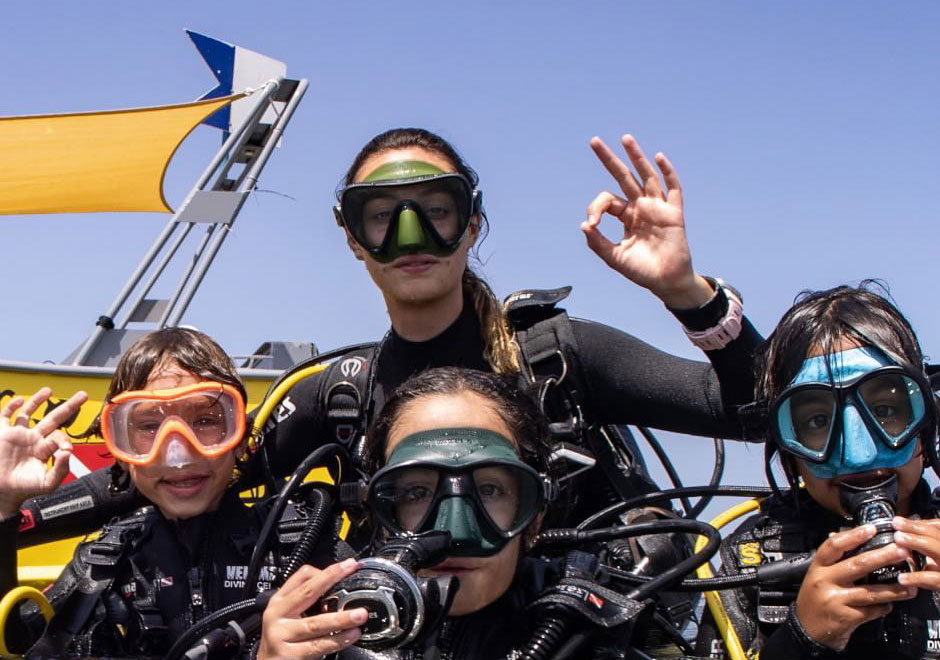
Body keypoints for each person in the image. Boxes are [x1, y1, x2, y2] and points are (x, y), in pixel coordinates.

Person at [258, 128, 762, 520]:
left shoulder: (557, 361)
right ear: (351, 236)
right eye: (381, 217)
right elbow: (198, 476)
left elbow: (756, 414)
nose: (410, 239)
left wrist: (687, 293)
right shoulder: (341, 398)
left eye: (436, 211)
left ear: (472, 224)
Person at [0, 327, 349, 660]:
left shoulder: (301, 548)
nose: (177, 453)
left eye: (206, 421)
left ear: (241, 439)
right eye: (148, 426)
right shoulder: (106, 564)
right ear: (120, 450)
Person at [257, 366, 649, 660]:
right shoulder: (321, 631)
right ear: (377, 512)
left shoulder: (589, 636)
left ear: (535, 514)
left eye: (491, 489)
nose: (455, 532)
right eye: (416, 492)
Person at [697, 284, 940, 660]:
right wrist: (801, 639)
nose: (858, 453)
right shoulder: (751, 560)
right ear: (789, 454)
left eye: (884, 409)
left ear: (925, 426)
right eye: (817, 420)